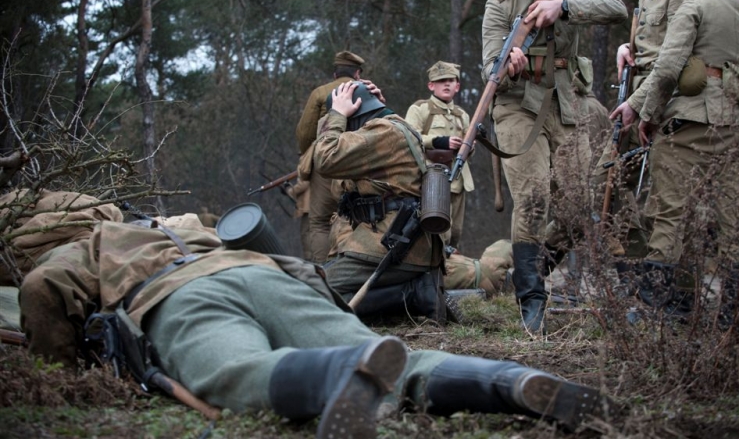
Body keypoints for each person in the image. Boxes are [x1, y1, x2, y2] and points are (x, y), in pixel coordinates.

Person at [19, 213, 616, 437]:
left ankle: (336, 374)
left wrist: (65, 376)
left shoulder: (91, 242)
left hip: (181, 297)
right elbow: (286, 260)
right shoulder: (186, 222)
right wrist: (324, 309)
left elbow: (42, 290)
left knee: (232, 370)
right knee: (396, 356)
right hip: (267, 277)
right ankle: (511, 382)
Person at [482, 0, 627, 334]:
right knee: (532, 198)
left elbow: (615, 9)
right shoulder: (499, 3)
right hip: (517, 105)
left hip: (565, 102)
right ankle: (532, 298)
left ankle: (532, 268)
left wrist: (562, 6)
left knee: (580, 204)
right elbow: (488, 66)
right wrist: (508, 66)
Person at [611, 0, 739, 326]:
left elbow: (667, 67)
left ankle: (656, 308)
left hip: (689, 123)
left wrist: (648, 114)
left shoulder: (696, 6)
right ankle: (730, 316)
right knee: (735, 221)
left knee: (669, 212)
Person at [594, 0, 698, 259]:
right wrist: (626, 48)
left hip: (663, 104)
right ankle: (639, 261)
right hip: (637, 96)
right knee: (605, 180)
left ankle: (663, 271)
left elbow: (672, 62)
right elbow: (649, 47)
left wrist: (639, 105)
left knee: (664, 199)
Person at [316, 81, 449, 323]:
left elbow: (325, 159)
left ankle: (415, 294)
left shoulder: (383, 132)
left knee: (313, 292)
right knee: (330, 291)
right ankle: (415, 293)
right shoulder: (394, 128)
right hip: (401, 244)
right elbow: (340, 187)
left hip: (392, 245)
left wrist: (336, 115)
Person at [296, 50, 366, 263]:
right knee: (360, 217)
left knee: (320, 222)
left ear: (335, 74)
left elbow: (304, 133)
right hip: (359, 163)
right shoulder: (367, 91)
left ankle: (323, 272)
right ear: (357, 73)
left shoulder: (321, 93)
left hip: (326, 164)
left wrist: (310, 154)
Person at [404, 61, 474, 250]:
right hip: (431, 179)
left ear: (457, 86)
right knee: (439, 232)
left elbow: (469, 149)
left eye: (451, 80)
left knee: (456, 232)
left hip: (458, 180)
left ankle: (449, 263)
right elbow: (408, 137)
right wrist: (439, 141)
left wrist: (469, 147)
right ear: (431, 86)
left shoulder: (462, 115)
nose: (446, 84)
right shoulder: (420, 109)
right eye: (441, 81)